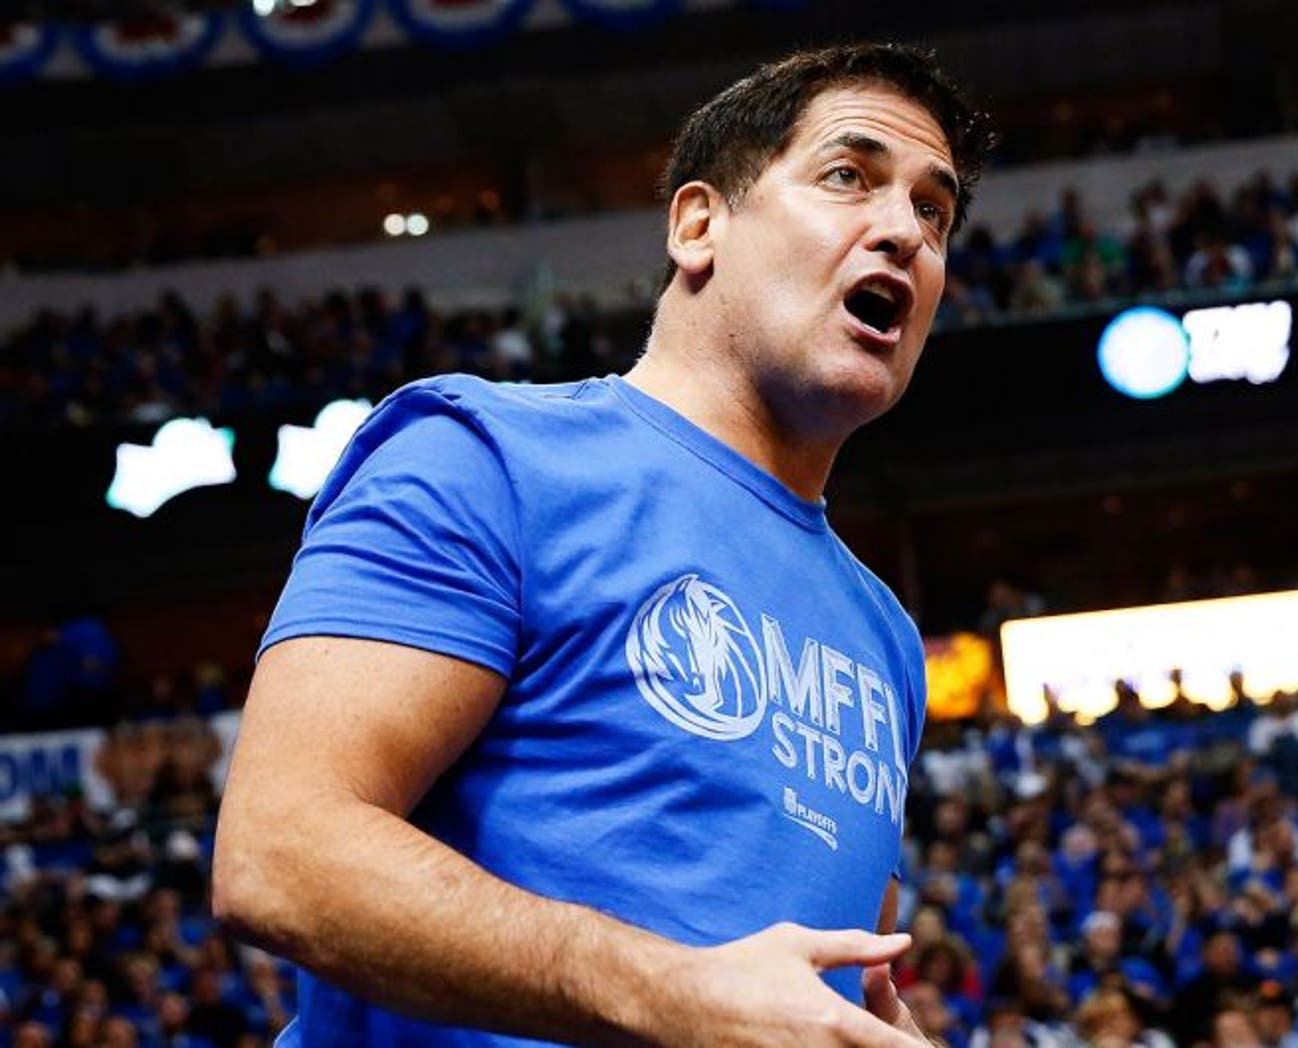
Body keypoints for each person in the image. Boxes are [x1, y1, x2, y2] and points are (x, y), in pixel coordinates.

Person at [212, 43, 993, 1048]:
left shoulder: (883, 634)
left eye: (934, 212)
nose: (904, 231)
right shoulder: (483, 456)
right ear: (699, 224)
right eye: (849, 176)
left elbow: (806, 991)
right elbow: (281, 853)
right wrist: (669, 993)